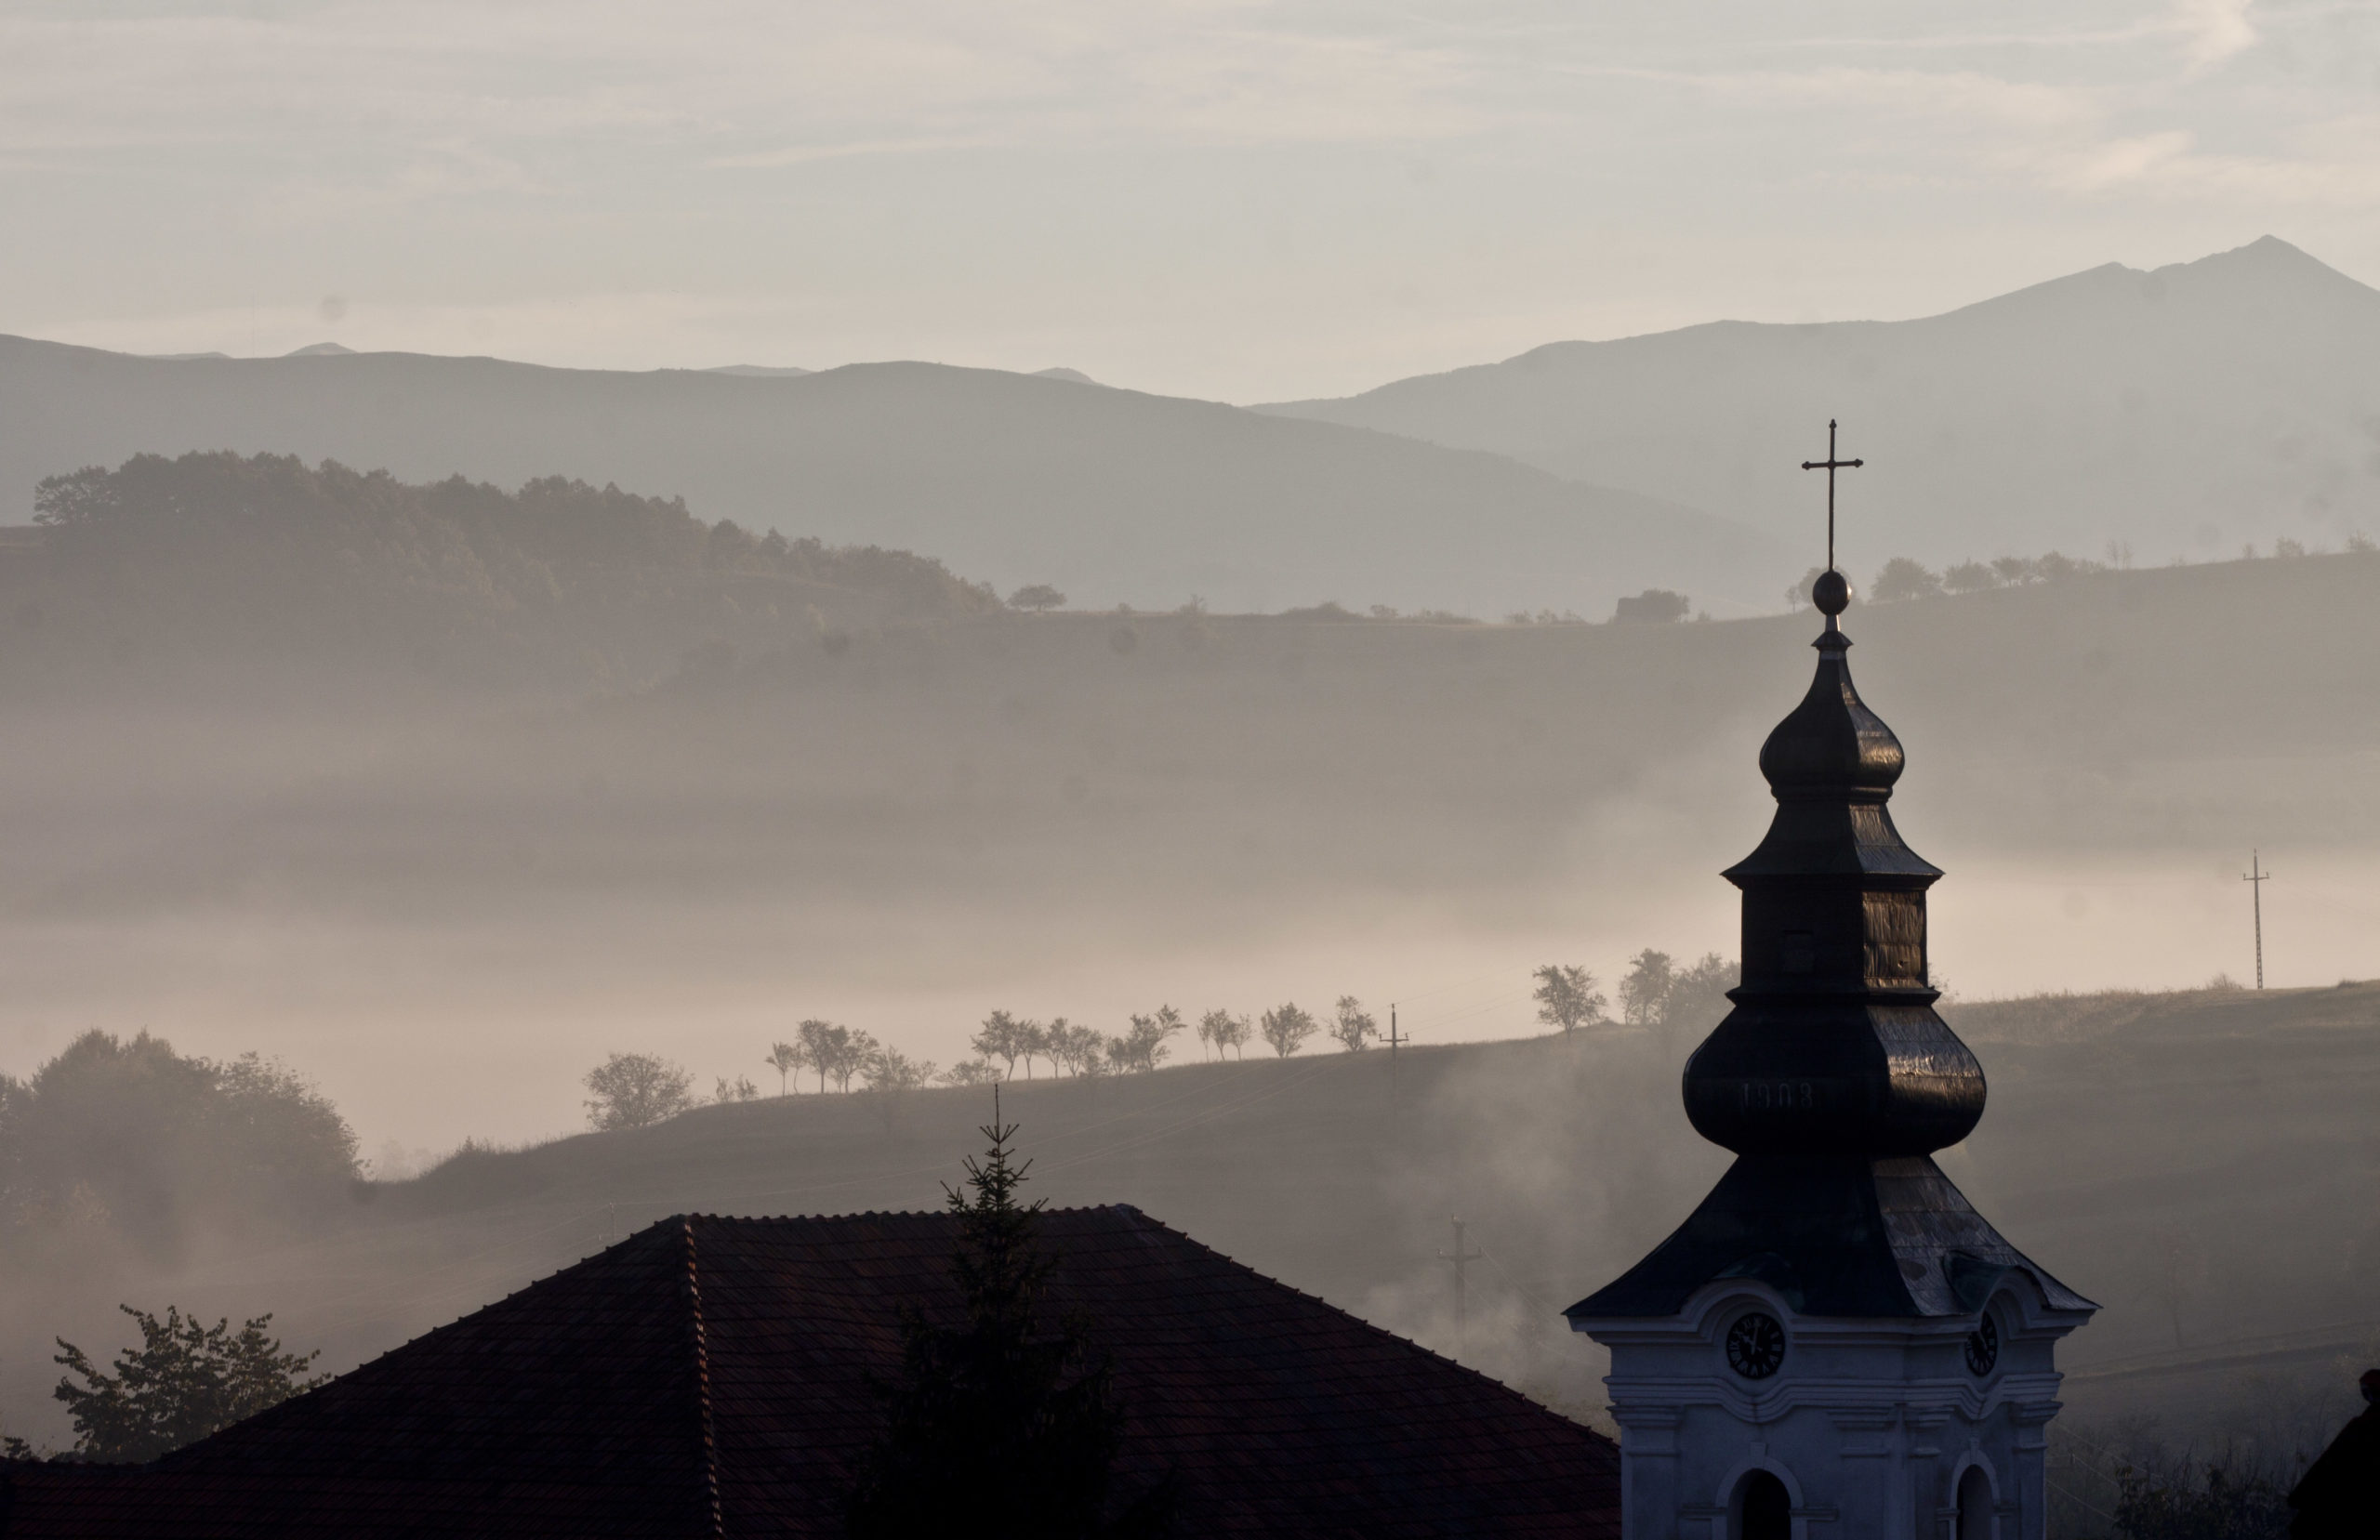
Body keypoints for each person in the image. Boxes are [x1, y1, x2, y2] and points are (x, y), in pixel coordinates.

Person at [2287, 1368, 2379, 1537]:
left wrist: (2302, 1495)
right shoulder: (2361, 1425)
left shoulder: (2361, 1426)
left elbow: (2330, 1462)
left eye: (2371, 1391)